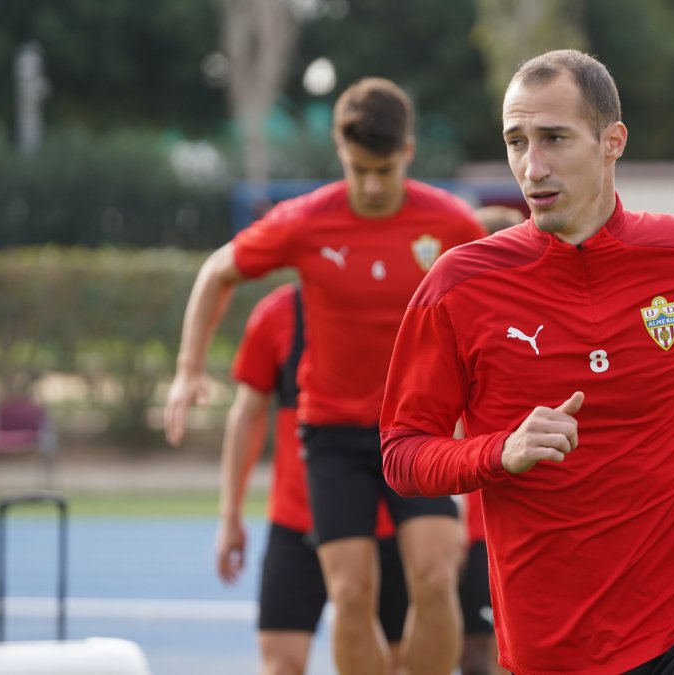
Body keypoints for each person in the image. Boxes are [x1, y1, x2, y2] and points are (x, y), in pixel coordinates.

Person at [380, 49, 674, 675]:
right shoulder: (458, 286)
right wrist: (500, 451)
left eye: (554, 138)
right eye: (516, 141)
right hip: (553, 640)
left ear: (613, 142)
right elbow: (402, 454)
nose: (533, 166)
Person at [166, 77, 485, 675]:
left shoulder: (449, 222)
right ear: (341, 153)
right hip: (333, 436)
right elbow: (218, 272)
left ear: (407, 154)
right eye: (358, 168)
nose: (369, 185)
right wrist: (188, 370)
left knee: (437, 576)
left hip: (420, 427)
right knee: (351, 593)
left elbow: (507, 292)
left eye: (383, 170)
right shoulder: (306, 221)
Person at [216, 284, 498, 675]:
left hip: (385, 528)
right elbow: (247, 415)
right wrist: (230, 514)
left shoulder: (406, 308)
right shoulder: (278, 314)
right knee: (280, 664)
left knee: (403, 651)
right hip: (297, 519)